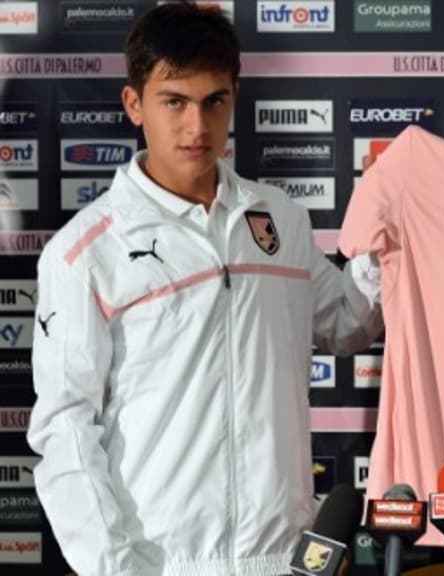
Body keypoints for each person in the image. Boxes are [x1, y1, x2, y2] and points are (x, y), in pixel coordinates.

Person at [27, 2, 382, 575]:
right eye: (174, 102)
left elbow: (346, 324)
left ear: (234, 98)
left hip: (283, 558)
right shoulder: (85, 252)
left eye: (214, 101)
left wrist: (385, 250)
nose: (197, 127)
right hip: (159, 565)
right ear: (134, 104)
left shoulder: (280, 219)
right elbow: (65, 428)